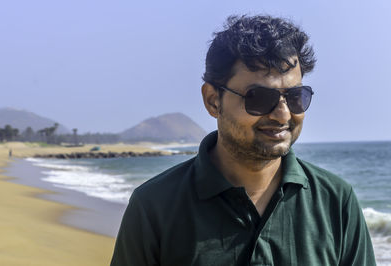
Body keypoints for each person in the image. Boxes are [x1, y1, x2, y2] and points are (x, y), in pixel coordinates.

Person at [111, 15, 376, 265]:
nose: (283, 114)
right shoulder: (155, 206)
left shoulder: (336, 201)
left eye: (296, 97)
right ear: (213, 101)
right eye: (259, 98)